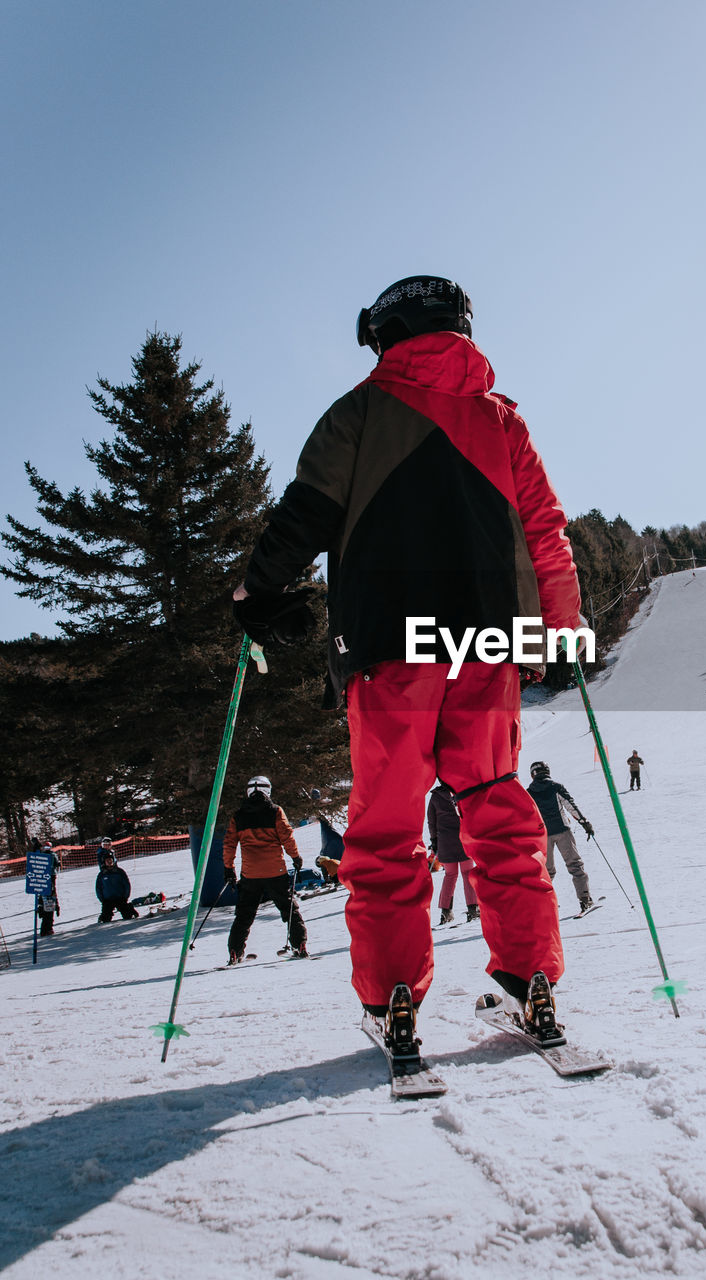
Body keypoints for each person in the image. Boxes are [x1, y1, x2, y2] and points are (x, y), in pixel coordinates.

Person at [231, 276, 582, 1050]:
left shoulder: (358, 413)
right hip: (485, 649)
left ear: (384, 335)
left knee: (387, 827)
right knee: (497, 811)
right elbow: (545, 527)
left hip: (390, 647)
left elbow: (307, 511)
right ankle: (533, 980)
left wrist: (257, 590)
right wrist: (561, 625)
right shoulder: (505, 423)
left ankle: (393, 993)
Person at [222, 776, 307, 963]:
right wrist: (295, 857)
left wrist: (229, 868)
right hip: (275, 870)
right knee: (289, 909)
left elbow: (229, 843)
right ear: (268, 790)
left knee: (244, 915)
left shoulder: (239, 815)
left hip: (250, 873)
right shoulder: (275, 811)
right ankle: (299, 944)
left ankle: (235, 952)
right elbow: (287, 836)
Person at [527, 762, 594, 914]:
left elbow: (527, 815)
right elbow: (571, 806)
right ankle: (585, 899)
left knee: (547, 871)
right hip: (562, 830)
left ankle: (545, 904)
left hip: (543, 835)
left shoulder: (529, 792)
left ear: (533, 774)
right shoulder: (556, 787)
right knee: (575, 865)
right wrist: (585, 823)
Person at [427, 783, 479, 925]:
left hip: (445, 842)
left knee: (450, 876)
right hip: (463, 840)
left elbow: (432, 822)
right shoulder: (462, 791)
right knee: (468, 873)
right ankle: (473, 909)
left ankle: (446, 912)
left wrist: (434, 841)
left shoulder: (435, 797)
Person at [95, 848, 140, 922]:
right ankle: (102, 916)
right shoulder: (102, 874)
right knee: (106, 919)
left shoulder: (119, 872)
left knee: (127, 916)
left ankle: (130, 909)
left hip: (120, 898)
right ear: (104, 862)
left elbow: (126, 884)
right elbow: (98, 888)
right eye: (107, 861)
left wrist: (125, 896)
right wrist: (102, 899)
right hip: (108, 900)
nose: (109, 862)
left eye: (111, 860)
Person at [32, 839, 60, 936]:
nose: (46, 849)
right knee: (45, 900)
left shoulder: (52, 855)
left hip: (50, 877)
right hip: (43, 879)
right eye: (45, 847)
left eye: (48, 847)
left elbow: (56, 863)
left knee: (50, 899)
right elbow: (36, 857)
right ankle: (46, 927)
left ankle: (48, 926)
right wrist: (37, 846)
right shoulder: (42, 855)